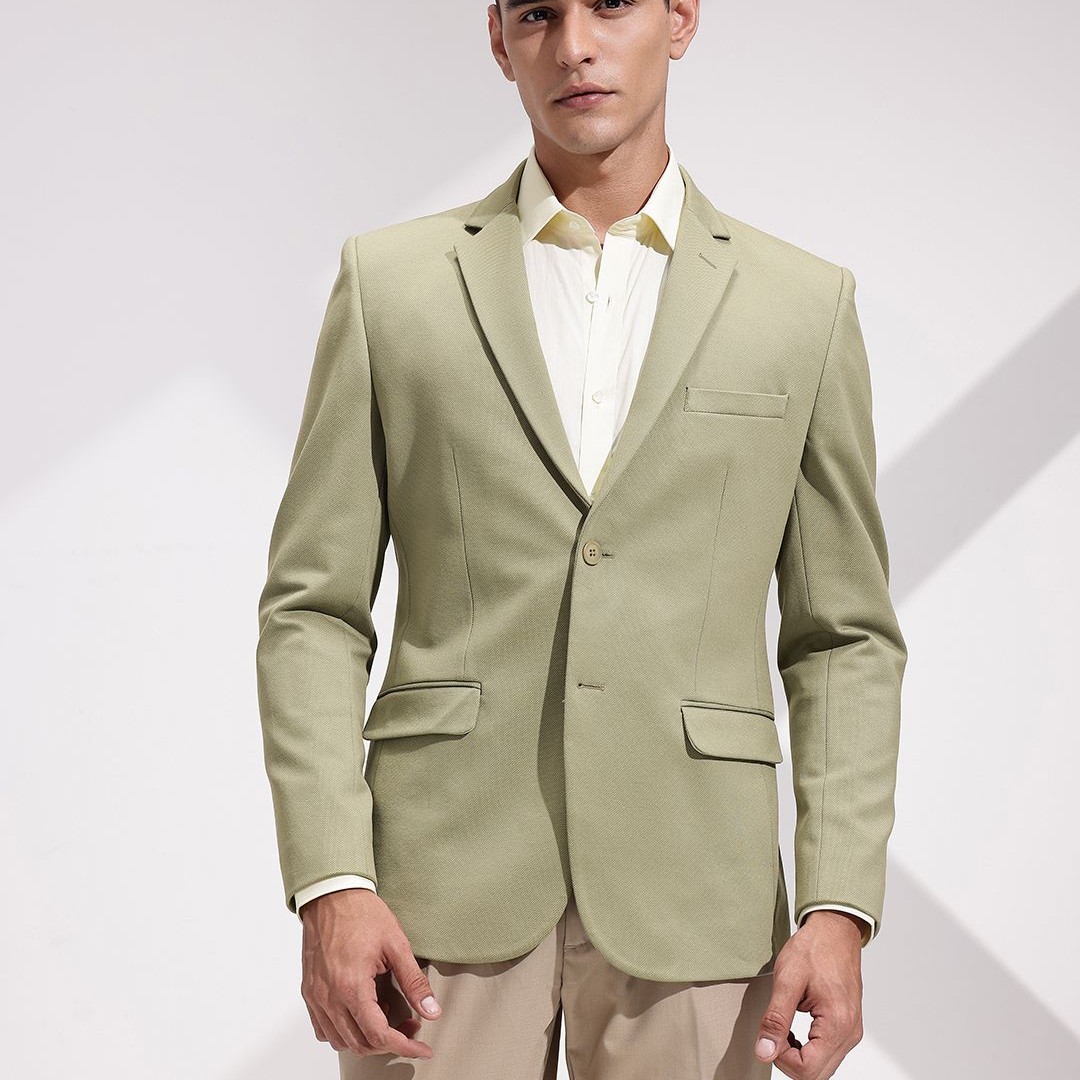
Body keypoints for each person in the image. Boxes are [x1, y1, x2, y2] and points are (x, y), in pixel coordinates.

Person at [255, 2, 908, 1077]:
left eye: (610, 4)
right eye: (538, 14)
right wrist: (332, 879)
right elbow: (312, 611)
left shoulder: (802, 306)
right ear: (498, 38)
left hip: (699, 893)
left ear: (680, 18)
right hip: (433, 894)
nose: (573, 45)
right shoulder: (392, 286)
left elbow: (843, 637)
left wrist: (839, 906)